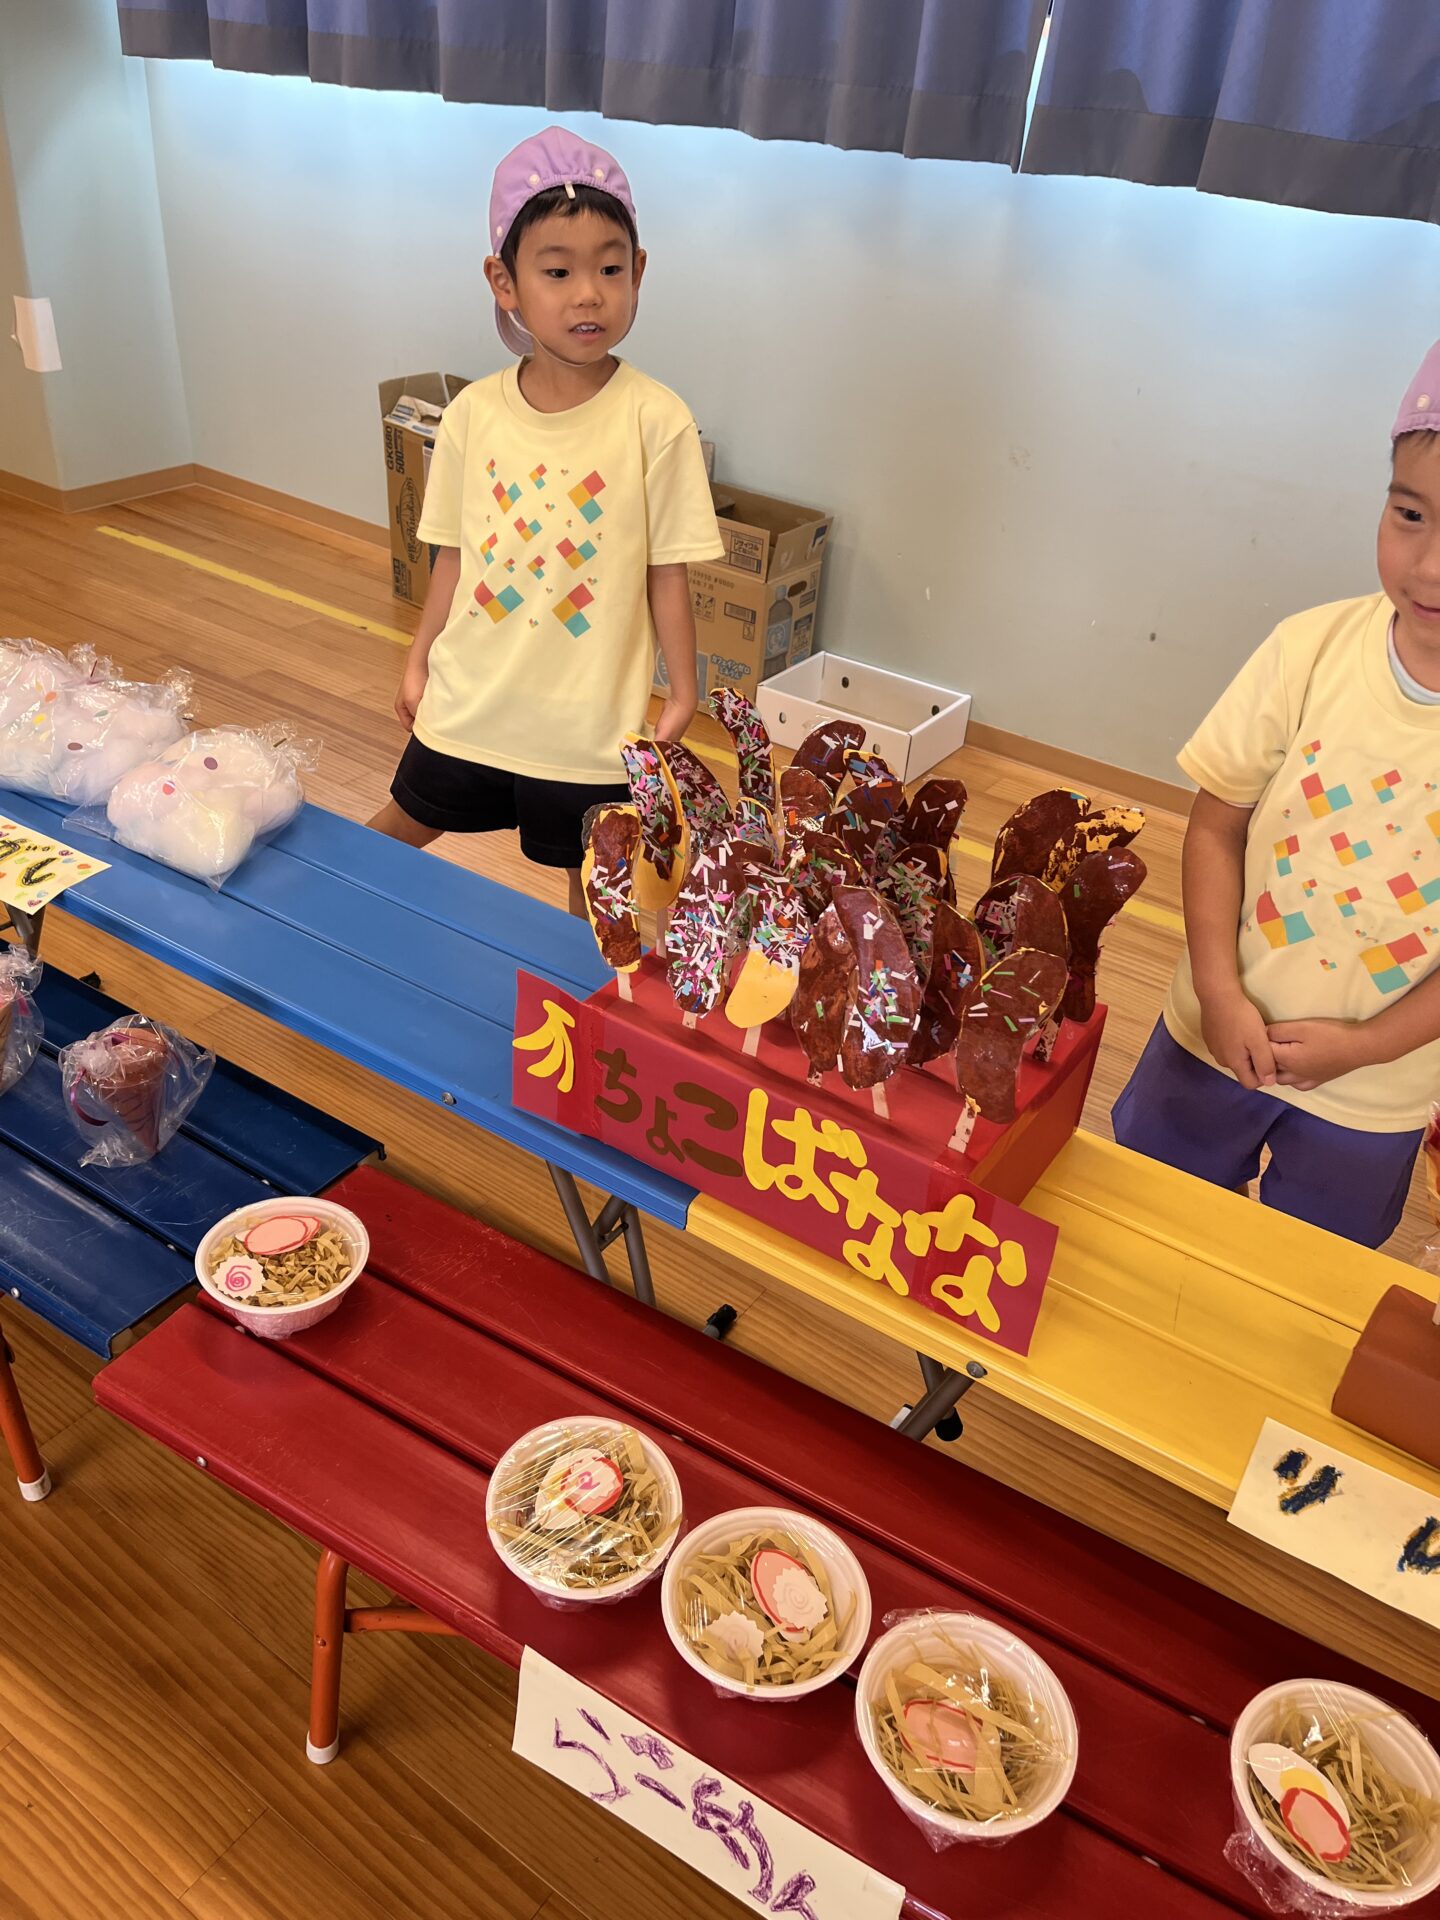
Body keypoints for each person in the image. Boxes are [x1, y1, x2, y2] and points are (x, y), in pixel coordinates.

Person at [1113, 340, 1440, 1247]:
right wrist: (1220, 992)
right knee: (1149, 1223)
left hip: (1376, 1090)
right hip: (1213, 1036)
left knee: (1307, 1276)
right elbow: (1216, 828)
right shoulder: (1308, 651)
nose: (1429, 567)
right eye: (1411, 513)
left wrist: (1366, 1048)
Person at [369, 126, 723, 916]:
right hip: (470, 703)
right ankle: (319, 924)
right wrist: (418, 658)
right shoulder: (472, 414)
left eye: (609, 268)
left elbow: (667, 569)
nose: (588, 293)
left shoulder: (657, 420)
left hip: (589, 726)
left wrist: (682, 688)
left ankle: (580, 1001)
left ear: (638, 272)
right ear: (505, 282)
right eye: (558, 271)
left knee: (592, 895)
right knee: (392, 833)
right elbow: (453, 557)